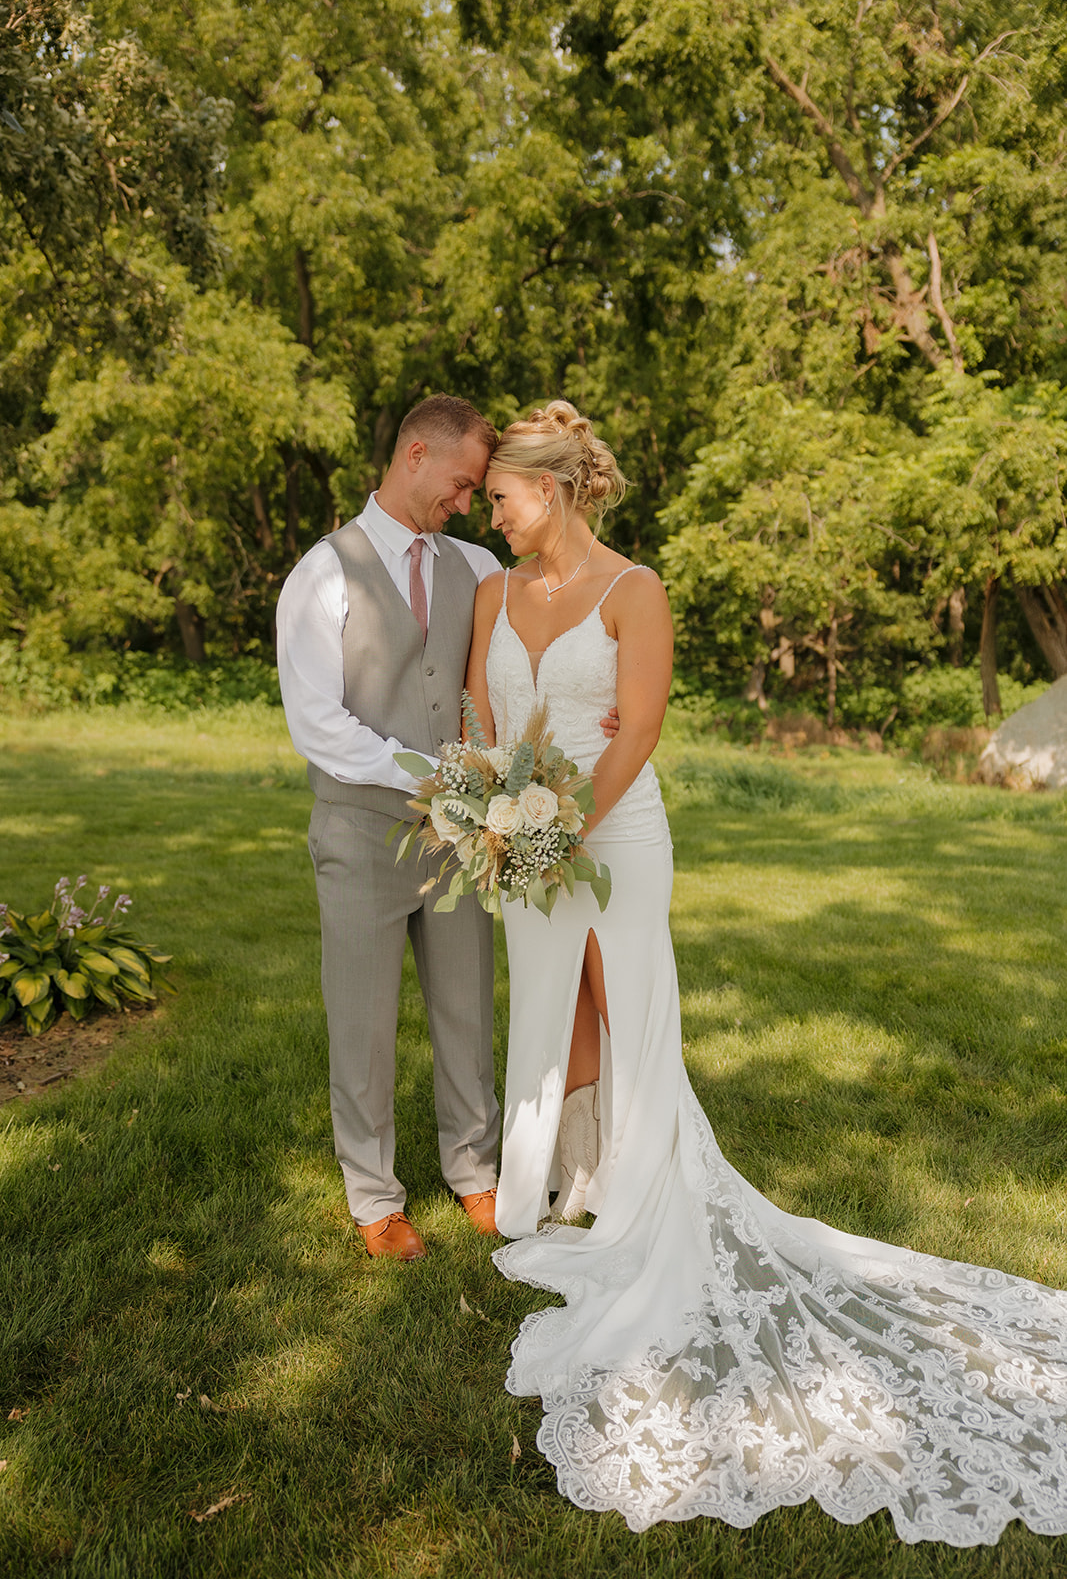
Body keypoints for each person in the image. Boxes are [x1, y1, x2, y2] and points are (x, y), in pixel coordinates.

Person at [463, 398, 1067, 1544]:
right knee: (550, 1003)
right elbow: (481, 708)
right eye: (489, 496)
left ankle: (632, 1193)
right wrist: (496, 811)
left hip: (612, 832)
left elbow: (635, 727)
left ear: (554, 492)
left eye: (502, 495)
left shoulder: (634, 591)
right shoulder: (493, 596)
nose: (490, 514)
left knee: (623, 999)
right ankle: (550, 1184)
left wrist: (565, 824)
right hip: (517, 830)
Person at [277, 394, 503, 1261]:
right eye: (458, 484)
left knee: (464, 1008)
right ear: (414, 455)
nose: (465, 502)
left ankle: (474, 1173)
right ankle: (374, 1197)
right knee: (362, 1020)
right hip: (362, 830)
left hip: (458, 843)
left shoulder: (479, 567)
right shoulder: (324, 572)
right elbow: (318, 724)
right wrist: (429, 775)